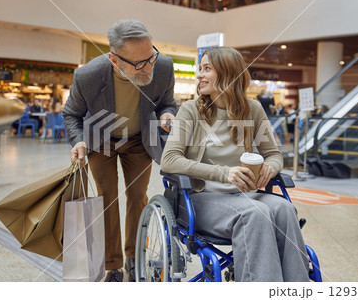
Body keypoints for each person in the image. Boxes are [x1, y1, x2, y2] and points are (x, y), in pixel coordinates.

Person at [161, 47, 309, 282]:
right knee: (255, 213)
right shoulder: (191, 110)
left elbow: (274, 154)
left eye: (206, 68)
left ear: (228, 74)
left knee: (284, 209)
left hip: (244, 195)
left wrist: (271, 167)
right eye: (200, 68)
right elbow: (169, 160)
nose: (199, 75)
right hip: (202, 197)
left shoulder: (253, 109)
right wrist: (223, 173)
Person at [63, 19, 177, 282]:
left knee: (138, 196)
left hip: (139, 138)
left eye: (151, 56)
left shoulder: (163, 66)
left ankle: (134, 256)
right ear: (115, 60)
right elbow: (72, 114)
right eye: (140, 64)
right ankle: (112, 264)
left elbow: (167, 103)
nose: (149, 66)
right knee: (107, 198)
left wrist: (168, 115)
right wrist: (78, 141)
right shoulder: (88, 75)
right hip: (101, 139)